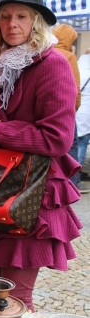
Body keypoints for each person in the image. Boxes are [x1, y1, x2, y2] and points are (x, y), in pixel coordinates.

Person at [0, 0, 83, 312]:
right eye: (4, 16)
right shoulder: (9, 62)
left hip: (32, 192)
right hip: (1, 187)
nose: (11, 24)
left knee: (16, 299)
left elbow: (58, 138)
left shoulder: (53, 63)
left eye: (21, 16)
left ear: (36, 22)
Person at [52, 24, 89, 193]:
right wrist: (75, 107)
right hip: (65, 109)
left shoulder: (46, 53)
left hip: (48, 109)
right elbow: (75, 85)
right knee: (71, 144)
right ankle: (73, 182)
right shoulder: (68, 55)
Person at [77, 49, 90, 182]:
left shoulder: (78, 67)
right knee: (82, 143)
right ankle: (77, 173)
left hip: (75, 111)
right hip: (85, 112)